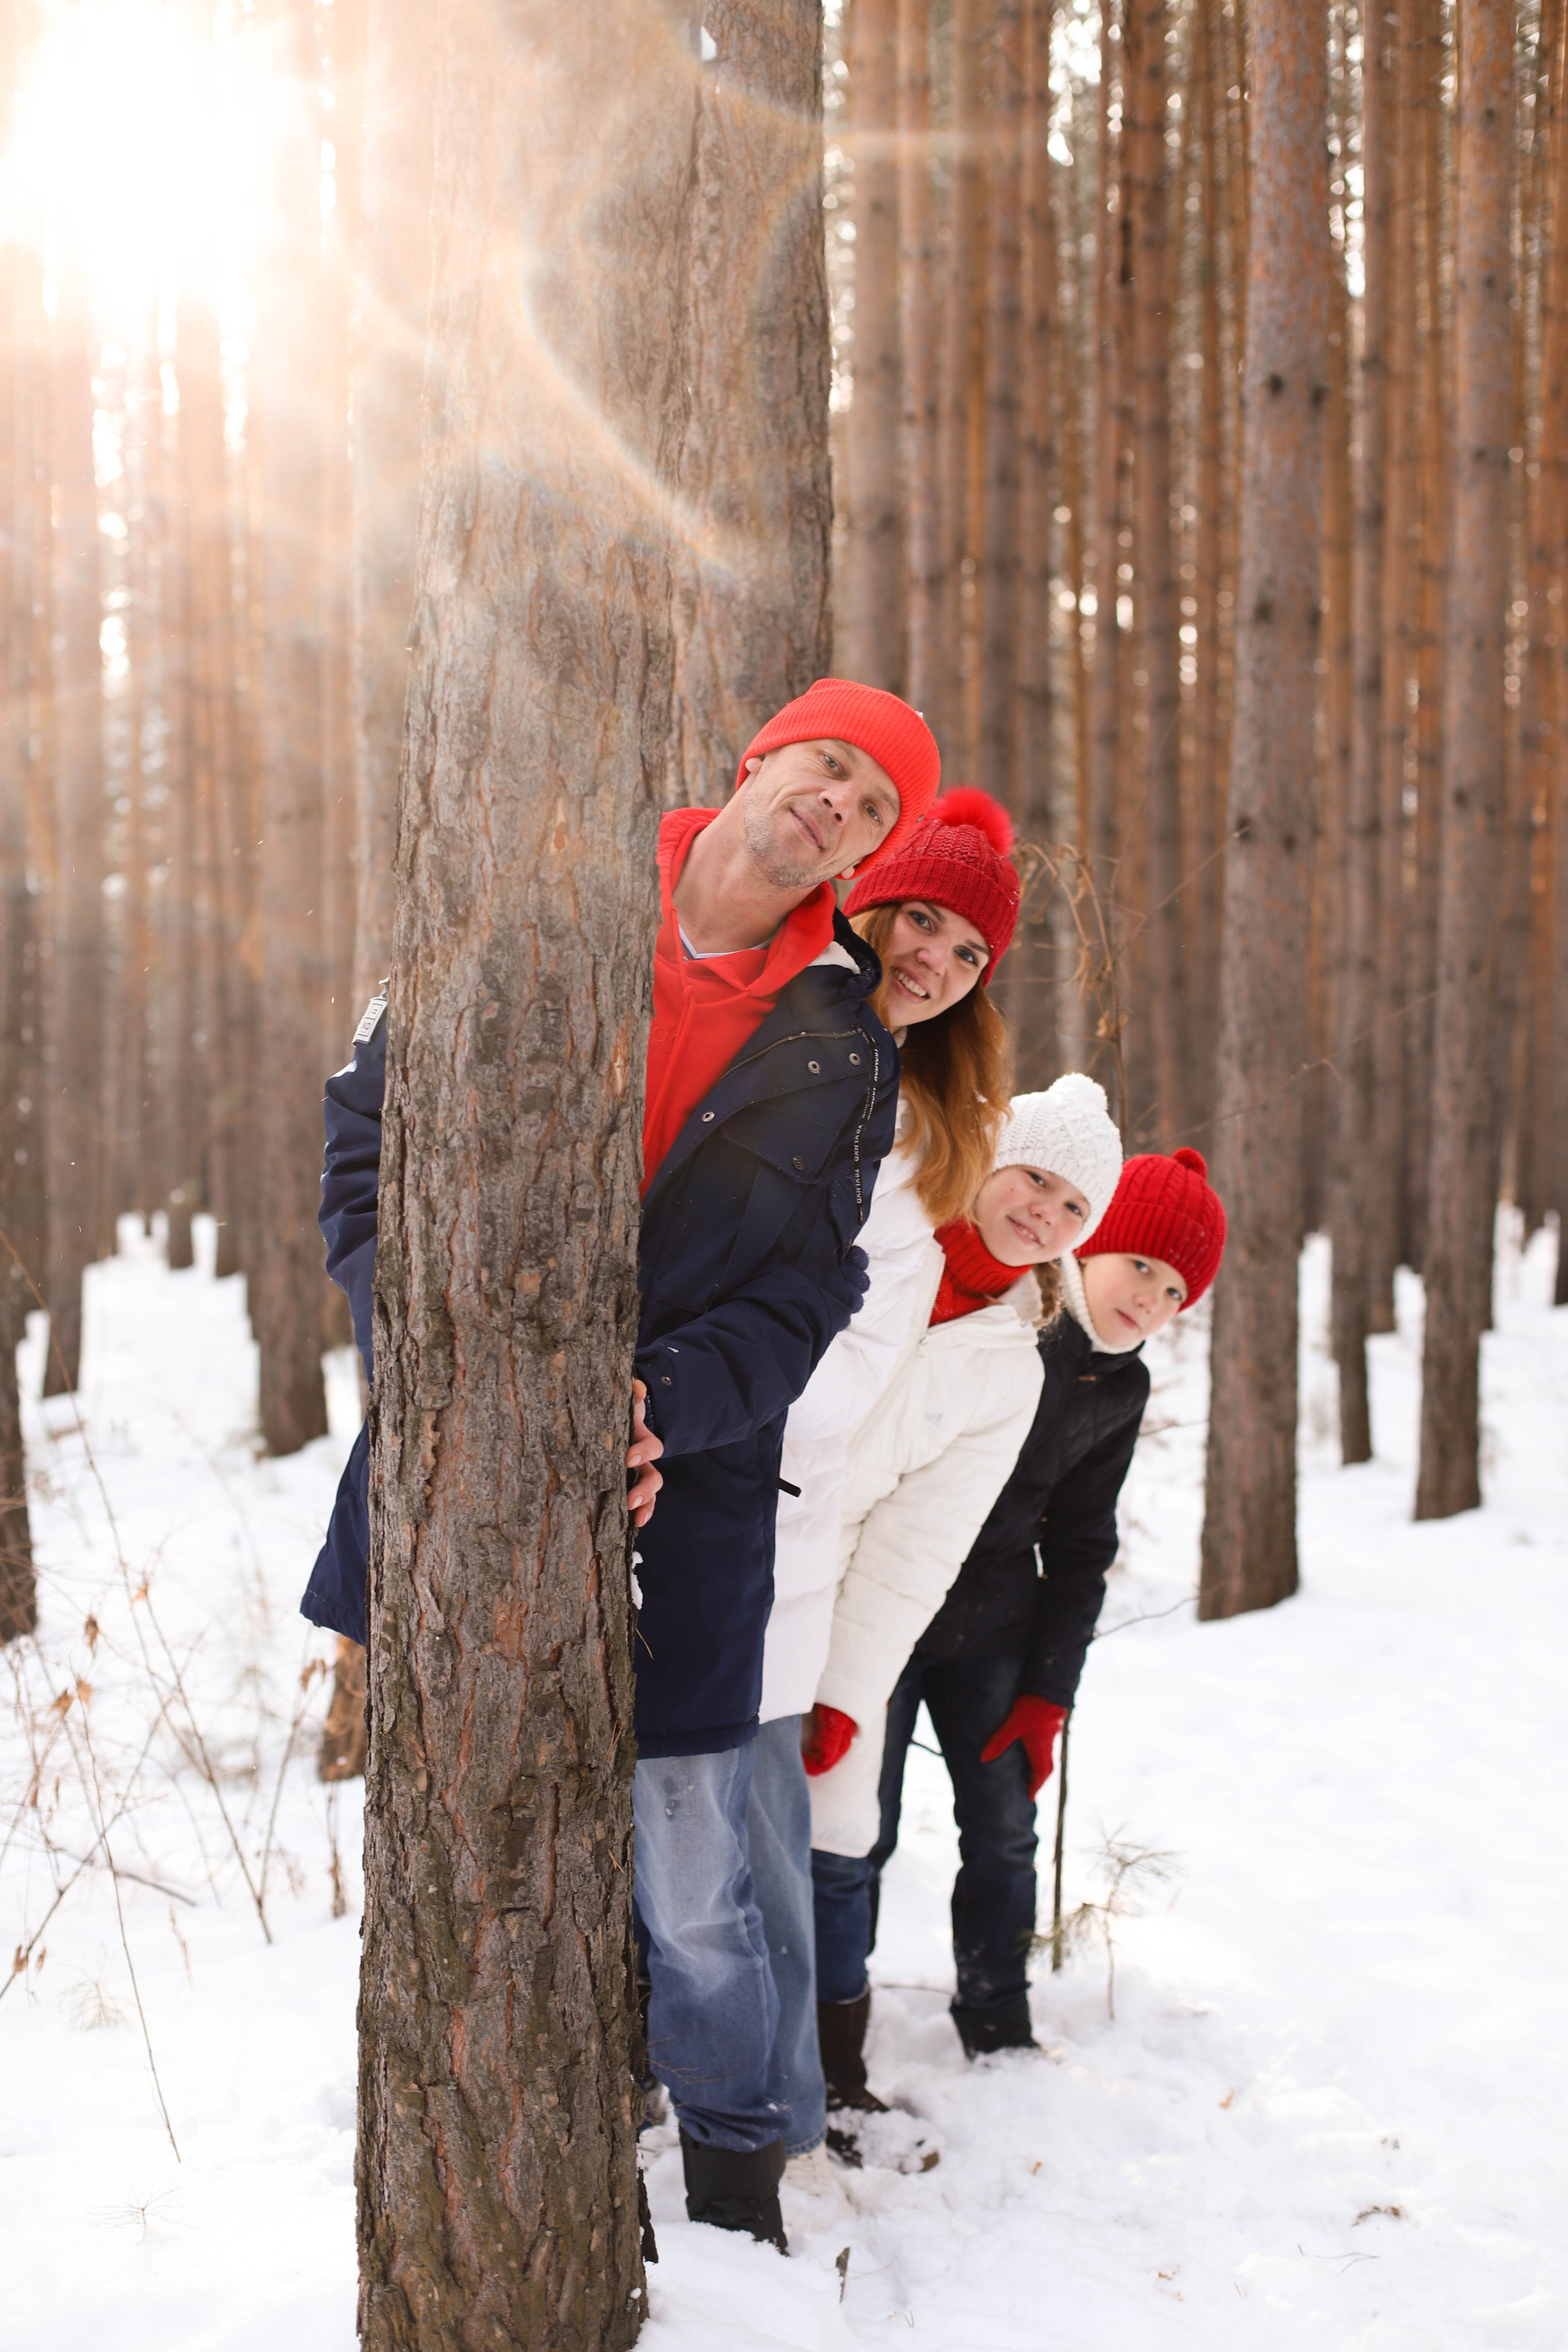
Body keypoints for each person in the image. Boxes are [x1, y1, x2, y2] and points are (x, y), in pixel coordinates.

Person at [301, 677, 941, 2255]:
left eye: (873, 812)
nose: (838, 811)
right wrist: (448, 1376)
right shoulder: (534, 893)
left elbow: (808, 1295)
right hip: (464, 1477)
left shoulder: (844, 1046)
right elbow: (363, 1154)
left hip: (691, 1488)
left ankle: (729, 2182)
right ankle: (545, 2162)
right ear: (760, 755)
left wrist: (664, 1406)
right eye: (831, 770)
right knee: (486, 1855)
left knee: (690, 1871)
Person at [747, 787, 1021, 2189]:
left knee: (773, 1824)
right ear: (869, 900)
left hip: (779, 1497)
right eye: (920, 917)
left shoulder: (926, 1131)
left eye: (968, 951)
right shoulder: (786, 1023)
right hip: (716, 1467)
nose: (934, 958)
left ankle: (795, 2092)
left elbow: (866, 1338)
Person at [835, 1145, 1227, 2079]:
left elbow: (1084, 1544)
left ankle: (997, 2020)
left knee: (1005, 1829)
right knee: (858, 1828)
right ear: (1093, 1240)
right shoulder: (1010, 1321)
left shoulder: (1118, 1385)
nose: (1151, 1300)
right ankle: (833, 2029)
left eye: (1176, 1293)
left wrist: (1050, 1691)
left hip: (996, 1631)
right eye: (1141, 1265)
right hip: (889, 1611)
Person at [802, 1077, 1125, 2150]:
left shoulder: (1011, 1361)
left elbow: (913, 1548)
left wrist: (845, 1693)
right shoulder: (880, 1229)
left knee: (841, 1825)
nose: (1046, 1212)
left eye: (1076, 1209)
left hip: (852, 1608)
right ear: (993, 1155)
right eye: (1035, 1176)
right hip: (727, 1550)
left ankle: (830, 2071)